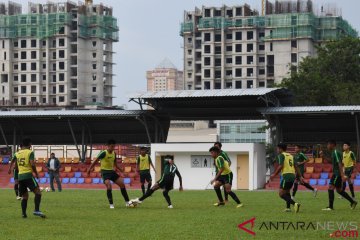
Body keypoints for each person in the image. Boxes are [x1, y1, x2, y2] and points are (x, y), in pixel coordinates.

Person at [87, 139, 133, 209]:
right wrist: (89, 170)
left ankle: (127, 202)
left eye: (114, 146)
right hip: (105, 172)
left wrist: (123, 171)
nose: (113, 148)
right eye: (111, 146)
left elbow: (116, 165)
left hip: (111, 172)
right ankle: (111, 204)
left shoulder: (114, 153)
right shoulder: (103, 153)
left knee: (122, 184)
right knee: (109, 186)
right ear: (108, 146)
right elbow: (95, 161)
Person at [13, 138, 45, 218]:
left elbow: (16, 167)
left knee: (25, 196)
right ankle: (36, 210)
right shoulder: (30, 152)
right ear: (29, 144)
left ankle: (24, 214)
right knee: (38, 192)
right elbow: (32, 164)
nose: (31, 145)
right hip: (28, 175)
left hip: (20, 177)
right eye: (31, 144)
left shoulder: (17, 153)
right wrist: (36, 173)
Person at [322, 140, 357, 211]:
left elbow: (339, 164)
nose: (327, 146)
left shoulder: (335, 152)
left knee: (330, 187)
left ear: (332, 145)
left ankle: (330, 207)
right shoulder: (334, 152)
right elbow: (332, 162)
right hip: (337, 173)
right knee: (339, 190)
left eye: (328, 144)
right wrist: (323, 156)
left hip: (337, 173)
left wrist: (342, 175)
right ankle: (353, 202)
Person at [270, 143, 301, 213]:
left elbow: (281, 166)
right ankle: (288, 208)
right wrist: (300, 176)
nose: (277, 150)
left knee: (281, 194)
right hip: (292, 175)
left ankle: (295, 204)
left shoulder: (281, 155)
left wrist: (274, 174)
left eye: (277, 148)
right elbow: (296, 166)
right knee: (287, 192)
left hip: (286, 176)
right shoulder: (290, 155)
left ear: (280, 149)